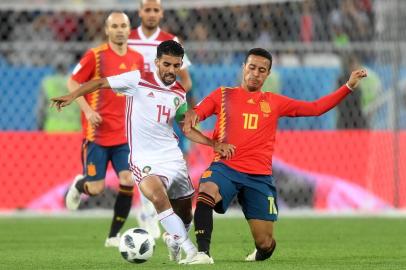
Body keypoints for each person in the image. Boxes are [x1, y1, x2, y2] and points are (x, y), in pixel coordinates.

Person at [51, 40, 235, 263]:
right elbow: (99, 82)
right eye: (166, 64)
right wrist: (72, 97)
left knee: (186, 213)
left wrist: (212, 143)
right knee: (158, 196)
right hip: (143, 159)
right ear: (157, 62)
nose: (171, 70)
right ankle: (191, 251)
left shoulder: (178, 92)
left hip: (172, 158)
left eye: (176, 66)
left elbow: (185, 127)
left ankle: (173, 239)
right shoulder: (137, 79)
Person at [181, 48, 367, 264]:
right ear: (243, 68)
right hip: (226, 167)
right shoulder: (223, 95)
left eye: (262, 70)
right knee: (206, 189)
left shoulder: (274, 102)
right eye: (252, 68)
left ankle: (259, 251)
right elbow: (189, 122)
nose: (255, 74)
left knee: (266, 243)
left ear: (268, 74)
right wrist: (208, 136)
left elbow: (315, 108)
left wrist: (348, 87)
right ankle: (203, 254)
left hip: (259, 177)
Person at [64, 12, 144, 248]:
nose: (119, 30)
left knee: (128, 180)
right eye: (115, 26)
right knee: (96, 188)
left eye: (123, 26)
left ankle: (113, 236)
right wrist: (88, 111)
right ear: (107, 30)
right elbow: (72, 83)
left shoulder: (137, 58)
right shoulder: (95, 56)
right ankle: (81, 184)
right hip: (97, 135)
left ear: (129, 29)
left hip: (123, 136)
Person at [127, 0, 193, 238]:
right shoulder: (127, 39)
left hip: (167, 112)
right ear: (140, 12)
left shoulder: (172, 41)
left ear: (162, 13)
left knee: (175, 166)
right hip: (138, 114)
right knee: (141, 166)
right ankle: (149, 211)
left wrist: (172, 99)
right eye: (148, 9)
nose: (152, 14)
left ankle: (166, 221)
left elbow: (186, 81)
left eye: (156, 10)